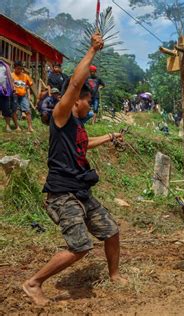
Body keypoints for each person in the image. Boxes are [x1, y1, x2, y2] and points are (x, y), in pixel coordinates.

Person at [22, 33, 127, 307]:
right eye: (88, 101)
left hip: (80, 191)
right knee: (80, 247)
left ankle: (114, 275)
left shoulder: (77, 126)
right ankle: (33, 283)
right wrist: (92, 50)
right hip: (61, 194)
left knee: (112, 230)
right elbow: (76, 82)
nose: (90, 106)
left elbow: (83, 145)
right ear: (76, 100)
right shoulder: (62, 114)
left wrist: (109, 137)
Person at [11, 61, 34, 132]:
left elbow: (31, 83)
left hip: (23, 95)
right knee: (14, 110)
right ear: (14, 68)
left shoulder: (25, 76)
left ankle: (30, 127)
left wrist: (27, 88)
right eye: (18, 68)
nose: (19, 70)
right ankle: (17, 126)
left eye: (21, 69)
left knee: (27, 110)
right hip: (14, 95)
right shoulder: (11, 75)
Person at [0, 60, 17, 131]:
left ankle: (7, 126)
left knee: (6, 108)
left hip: (5, 90)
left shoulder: (4, 65)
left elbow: (9, 77)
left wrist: (12, 87)